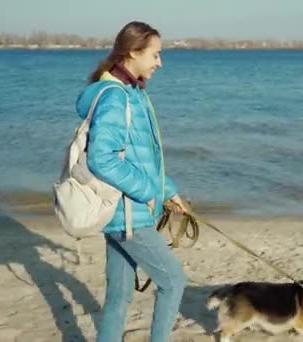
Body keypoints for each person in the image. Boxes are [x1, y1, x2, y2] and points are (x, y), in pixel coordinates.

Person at [75, 21, 188, 341]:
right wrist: (148, 191)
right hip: (128, 215)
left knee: (119, 296)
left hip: (123, 213)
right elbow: (102, 158)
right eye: (155, 54)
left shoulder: (132, 92)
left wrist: (168, 190)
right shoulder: (116, 97)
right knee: (174, 281)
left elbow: (143, 157)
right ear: (133, 52)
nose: (160, 62)